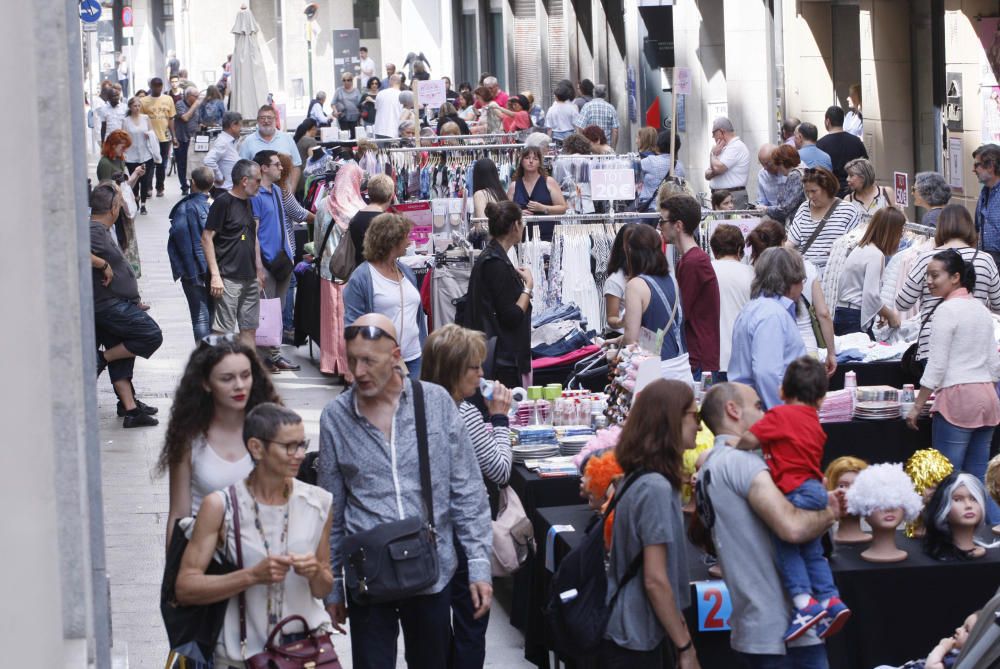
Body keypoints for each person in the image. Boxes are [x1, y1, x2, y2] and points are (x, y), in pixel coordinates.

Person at [317, 314, 493, 669]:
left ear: (396, 355)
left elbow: (468, 491)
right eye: (352, 360)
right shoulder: (336, 417)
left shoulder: (435, 402)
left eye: (369, 360)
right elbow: (331, 509)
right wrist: (333, 583)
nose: (358, 371)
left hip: (430, 569)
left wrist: (478, 564)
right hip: (368, 571)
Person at [175, 403, 335, 667]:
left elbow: (323, 588)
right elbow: (186, 587)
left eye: (302, 444)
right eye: (288, 446)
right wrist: (251, 576)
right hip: (241, 653)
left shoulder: (318, 502)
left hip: (303, 648)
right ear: (257, 447)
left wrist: (316, 571)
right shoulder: (220, 506)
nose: (300, 455)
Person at [697, 382, 838, 666]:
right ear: (733, 410)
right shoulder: (742, 463)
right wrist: (831, 512)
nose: (768, 413)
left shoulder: (709, 466)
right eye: (759, 406)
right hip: (784, 630)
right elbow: (792, 528)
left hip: (755, 626)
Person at [734, 357, 852, 641]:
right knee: (813, 552)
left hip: (793, 490)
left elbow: (749, 441)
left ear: (782, 392)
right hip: (814, 490)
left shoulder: (778, 416)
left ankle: (804, 604)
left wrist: (732, 445)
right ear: (822, 399)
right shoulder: (814, 421)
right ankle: (830, 599)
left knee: (786, 546)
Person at [420, 324, 513, 668]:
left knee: (433, 629)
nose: (480, 373)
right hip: (462, 535)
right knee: (471, 625)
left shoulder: (418, 405)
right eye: (474, 366)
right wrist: (500, 419)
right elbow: (501, 470)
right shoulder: (464, 413)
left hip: (428, 531)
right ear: (454, 369)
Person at [602, 379, 701, 668]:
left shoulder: (639, 478)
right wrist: (685, 648)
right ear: (671, 421)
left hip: (633, 631)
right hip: (638, 638)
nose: (699, 425)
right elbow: (656, 579)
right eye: (694, 416)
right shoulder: (656, 488)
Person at [158, 334, 279, 548]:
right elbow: (179, 514)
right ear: (205, 383)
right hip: (207, 559)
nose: (239, 385)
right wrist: (173, 574)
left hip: (263, 557)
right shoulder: (189, 438)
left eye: (245, 375)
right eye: (227, 378)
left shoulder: (271, 430)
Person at [907, 249, 1000, 526]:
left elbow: (936, 366)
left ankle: (945, 537)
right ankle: (992, 531)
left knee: (946, 476)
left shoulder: (946, 311)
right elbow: (995, 364)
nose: (929, 282)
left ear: (956, 277)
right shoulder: (981, 310)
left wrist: (916, 406)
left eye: (935, 276)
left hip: (958, 398)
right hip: (987, 397)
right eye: (927, 276)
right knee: (979, 475)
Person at [90, 183, 163, 428]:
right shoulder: (92, 230)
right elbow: (75, 248)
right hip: (108, 305)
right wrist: (102, 264)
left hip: (118, 302)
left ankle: (129, 408)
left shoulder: (103, 229)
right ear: (113, 207)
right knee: (150, 335)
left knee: (122, 352)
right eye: (119, 204)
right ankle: (100, 359)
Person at [896, 205, 1000, 367]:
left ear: (941, 227)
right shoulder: (985, 260)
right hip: (974, 346)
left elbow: (903, 303)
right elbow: (998, 304)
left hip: (933, 345)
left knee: (937, 391)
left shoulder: (927, 259)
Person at [747, 220, 837, 376]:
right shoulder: (806, 267)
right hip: (807, 349)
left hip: (770, 352)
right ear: (783, 242)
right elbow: (823, 313)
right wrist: (831, 352)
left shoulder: (754, 272)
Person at [343, 214, 426, 378]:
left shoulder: (406, 272)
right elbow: (352, 324)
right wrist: (353, 364)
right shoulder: (362, 277)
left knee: (413, 402)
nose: (409, 242)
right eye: (405, 237)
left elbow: (416, 317)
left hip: (414, 357)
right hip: (380, 361)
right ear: (391, 241)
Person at [464, 201, 534, 388]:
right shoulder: (496, 263)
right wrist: (528, 287)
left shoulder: (493, 256)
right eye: (522, 221)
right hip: (501, 359)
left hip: (498, 355)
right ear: (515, 226)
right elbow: (512, 315)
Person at [729, 247, 808, 410]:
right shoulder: (772, 314)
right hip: (768, 414)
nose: (802, 287)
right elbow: (767, 373)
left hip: (754, 409)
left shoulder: (755, 308)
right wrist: (781, 414)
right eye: (802, 280)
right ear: (791, 280)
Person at [203, 159, 265, 348]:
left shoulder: (248, 202)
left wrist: (258, 269)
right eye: (258, 180)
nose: (260, 185)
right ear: (245, 180)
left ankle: (249, 372)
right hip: (228, 277)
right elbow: (206, 238)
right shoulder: (223, 202)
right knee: (223, 332)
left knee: (249, 328)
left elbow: (251, 237)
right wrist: (215, 276)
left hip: (249, 276)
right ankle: (217, 373)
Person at [249, 151, 300, 372]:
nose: (281, 168)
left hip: (283, 260)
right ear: (264, 168)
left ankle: (276, 354)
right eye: (277, 165)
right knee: (264, 311)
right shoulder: (256, 195)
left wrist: (290, 253)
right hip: (267, 263)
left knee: (278, 311)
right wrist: (258, 266)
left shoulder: (278, 191)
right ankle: (263, 357)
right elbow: (254, 232)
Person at [660, 194, 720, 379]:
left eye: (662, 221)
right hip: (698, 356)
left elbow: (680, 313)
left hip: (697, 359)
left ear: (678, 225)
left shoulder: (693, 262)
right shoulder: (690, 260)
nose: (659, 226)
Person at [314, 164, 364, 376]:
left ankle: (330, 362)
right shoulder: (358, 208)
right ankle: (347, 366)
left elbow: (316, 236)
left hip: (328, 267)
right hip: (350, 271)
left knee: (330, 318)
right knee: (348, 318)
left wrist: (318, 256)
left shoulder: (325, 204)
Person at [622, 224, 689, 377]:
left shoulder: (636, 286)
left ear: (631, 252)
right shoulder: (673, 279)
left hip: (655, 370)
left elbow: (631, 340)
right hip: (682, 366)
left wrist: (617, 349)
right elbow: (660, 326)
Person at [833, 207, 905, 335]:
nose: (901, 236)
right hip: (853, 317)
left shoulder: (860, 248)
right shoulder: (875, 255)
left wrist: (880, 311)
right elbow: (871, 295)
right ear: (892, 232)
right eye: (901, 231)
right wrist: (891, 315)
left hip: (843, 312)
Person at [168, 167, 217, 341]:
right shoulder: (217, 205)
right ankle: (212, 357)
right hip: (215, 270)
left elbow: (178, 238)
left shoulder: (185, 208)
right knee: (213, 316)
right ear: (212, 184)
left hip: (193, 271)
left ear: (192, 183)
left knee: (200, 317)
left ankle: (204, 358)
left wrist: (183, 269)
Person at [786, 166, 862, 274]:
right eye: (807, 192)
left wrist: (839, 251)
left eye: (814, 191)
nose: (810, 196)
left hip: (835, 273)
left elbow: (856, 245)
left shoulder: (848, 210)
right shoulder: (804, 208)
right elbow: (791, 241)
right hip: (806, 273)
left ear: (827, 188)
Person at [711, 224, 754, 380]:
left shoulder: (707, 271)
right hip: (744, 355)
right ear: (739, 249)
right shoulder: (751, 273)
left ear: (714, 249)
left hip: (713, 355)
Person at [506, 146, 567, 240]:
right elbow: (506, 212)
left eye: (535, 159)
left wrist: (543, 208)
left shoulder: (549, 182)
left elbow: (562, 208)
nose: (531, 161)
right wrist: (518, 213)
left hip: (548, 236)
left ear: (539, 163)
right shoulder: (514, 186)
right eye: (527, 158)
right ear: (521, 161)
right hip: (521, 238)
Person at [239, 106, 302, 188]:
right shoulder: (248, 141)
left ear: (275, 119)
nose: (266, 121)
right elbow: (242, 168)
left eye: (269, 118)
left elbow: (296, 166)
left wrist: (292, 189)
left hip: (284, 191)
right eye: (262, 118)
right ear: (257, 120)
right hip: (257, 193)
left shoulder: (287, 138)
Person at [816, 106, 869, 197]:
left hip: (831, 192)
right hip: (854, 191)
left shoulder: (821, 144)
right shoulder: (856, 141)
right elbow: (866, 165)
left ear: (827, 121)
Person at [140, 77, 177, 197]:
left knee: (162, 164)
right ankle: (148, 188)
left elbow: (171, 119)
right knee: (149, 164)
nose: (157, 88)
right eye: (155, 85)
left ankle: (160, 187)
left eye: (159, 85)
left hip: (164, 137)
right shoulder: (144, 101)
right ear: (150, 86)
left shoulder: (168, 99)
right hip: (150, 138)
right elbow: (140, 120)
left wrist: (174, 136)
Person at [349, 173, 395, 268]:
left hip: (360, 272)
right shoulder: (387, 221)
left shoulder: (356, 218)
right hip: (381, 274)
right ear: (391, 196)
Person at [704, 117, 751, 209]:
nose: (713, 137)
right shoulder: (722, 148)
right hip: (718, 196)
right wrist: (715, 170)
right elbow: (707, 175)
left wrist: (713, 154)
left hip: (732, 196)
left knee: (733, 222)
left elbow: (718, 168)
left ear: (722, 131)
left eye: (714, 133)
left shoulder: (736, 146)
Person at [122, 96, 155, 214]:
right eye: (134, 106)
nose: (137, 108)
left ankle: (143, 204)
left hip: (145, 154)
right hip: (131, 155)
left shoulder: (145, 118)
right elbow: (123, 137)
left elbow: (152, 133)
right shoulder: (126, 121)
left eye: (138, 106)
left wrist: (149, 134)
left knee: (145, 180)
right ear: (130, 107)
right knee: (134, 179)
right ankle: (136, 199)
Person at [638, 130, 685, 211]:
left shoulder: (650, 161)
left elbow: (633, 168)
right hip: (671, 210)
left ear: (658, 145)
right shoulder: (680, 167)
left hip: (651, 209)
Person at [604, 224, 637, 333]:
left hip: (645, 339)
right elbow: (611, 318)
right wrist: (624, 321)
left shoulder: (650, 275)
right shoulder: (615, 281)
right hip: (623, 340)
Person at [761, 144, 806, 224]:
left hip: (797, 222)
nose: (778, 169)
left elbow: (785, 208)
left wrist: (766, 209)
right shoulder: (803, 170)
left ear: (782, 163)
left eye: (777, 164)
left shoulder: (795, 176)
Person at [204, 111, 244, 196]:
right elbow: (208, 160)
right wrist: (219, 177)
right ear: (233, 125)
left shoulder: (229, 141)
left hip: (229, 191)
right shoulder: (223, 142)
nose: (241, 129)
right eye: (240, 125)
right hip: (224, 192)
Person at [973, 144, 1000, 268]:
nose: (973, 170)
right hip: (986, 260)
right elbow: (977, 229)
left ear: (990, 166)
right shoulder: (984, 192)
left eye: (977, 165)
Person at [97, 130, 144, 200]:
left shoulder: (120, 160)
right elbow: (108, 193)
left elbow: (127, 188)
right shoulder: (105, 163)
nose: (125, 150)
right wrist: (135, 173)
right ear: (113, 145)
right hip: (111, 206)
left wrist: (137, 175)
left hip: (120, 204)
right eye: (123, 147)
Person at [174, 86, 203, 196]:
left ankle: (193, 185)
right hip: (182, 139)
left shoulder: (197, 106)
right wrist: (195, 106)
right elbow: (185, 118)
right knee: (182, 164)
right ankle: (184, 187)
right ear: (188, 96)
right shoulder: (180, 104)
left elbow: (199, 122)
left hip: (194, 139)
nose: (197, 98)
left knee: (193, 164)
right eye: (196, 96)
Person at [843, 158, 891, 222]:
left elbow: (902, 220)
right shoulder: (848, 200)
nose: (847, 179)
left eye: (851, 175)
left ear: (863, 177)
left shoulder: (886, 192)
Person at [573, 84, 620, 149]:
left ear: (593, 94)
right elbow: (615, 131)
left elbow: (579, 128)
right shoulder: (611, 108)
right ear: (605, 95)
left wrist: (585, 144)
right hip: (606, 148)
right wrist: (613, 148)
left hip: (590, 148)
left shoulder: (587, 106)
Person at [755, 143, 786, 208]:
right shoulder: (762, 174)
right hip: (770, 214)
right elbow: (761, 201)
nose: (765, 168)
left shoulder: (788, 171)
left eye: (768, 164)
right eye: (762, 164)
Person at [373, 74, 403, 139]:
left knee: (381, 149)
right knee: (392, 149)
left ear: (390, 82)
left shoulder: (380, 93)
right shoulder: (401, 95)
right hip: (394, 130)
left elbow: (376, 108)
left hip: (379, 130)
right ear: (400, 83)